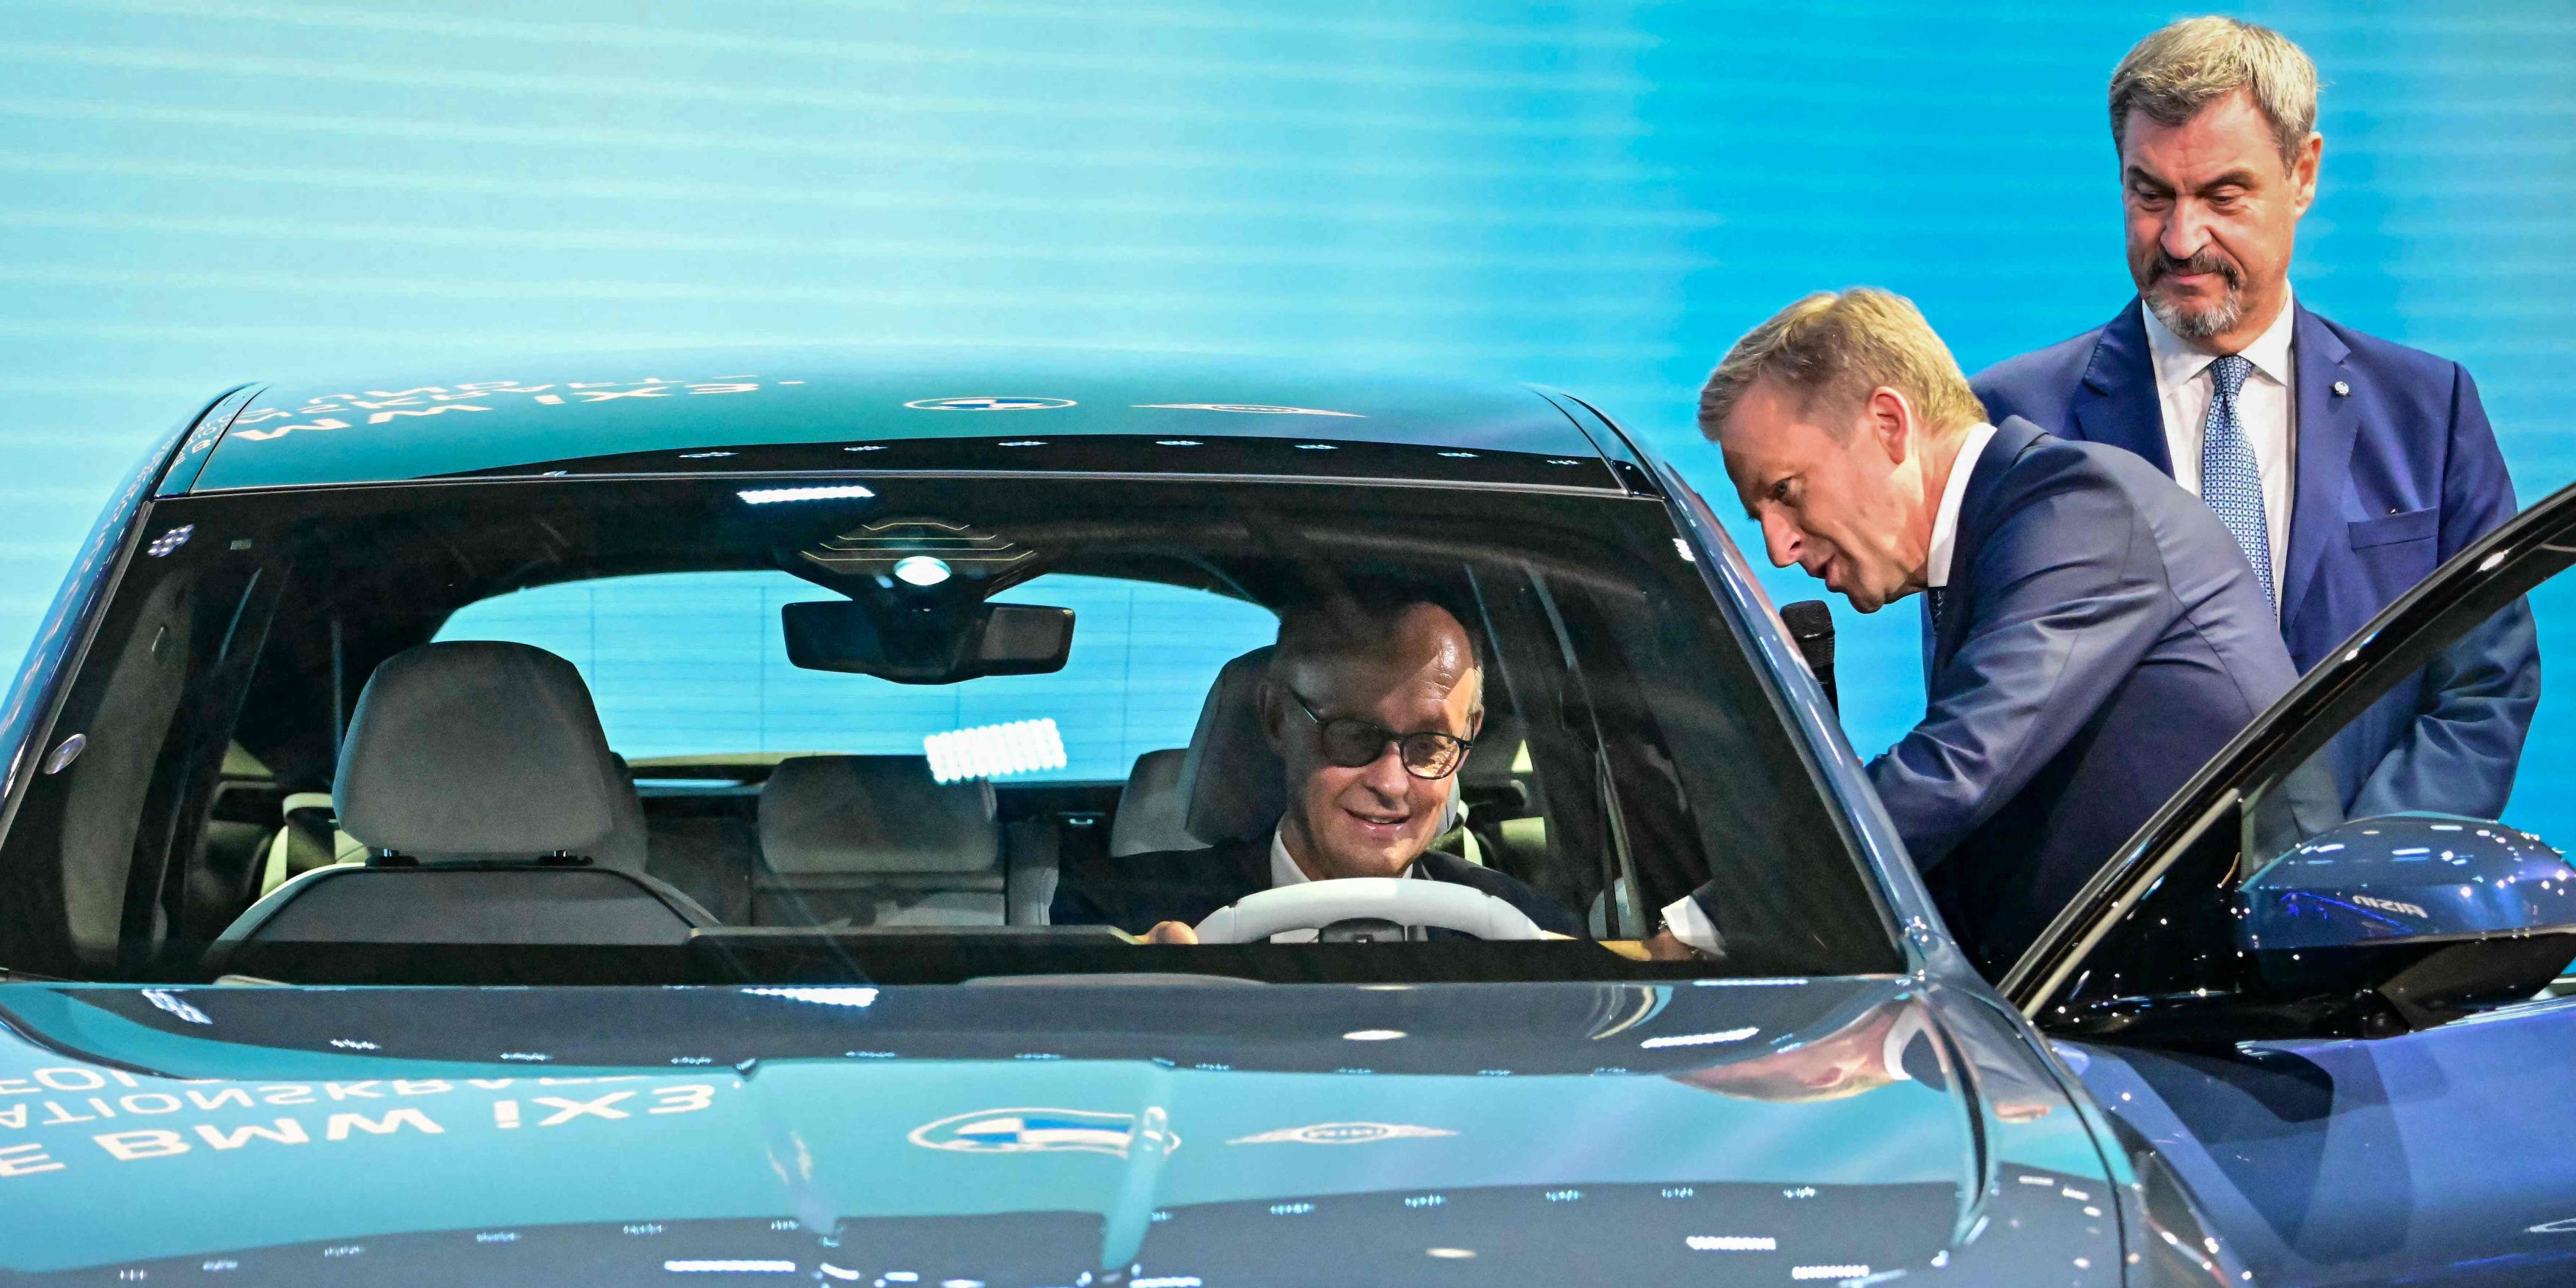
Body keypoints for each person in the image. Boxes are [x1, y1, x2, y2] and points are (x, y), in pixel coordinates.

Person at [1975, 16, 2537, 824]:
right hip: (2118, 925)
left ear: (2303, 173)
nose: (2181, 238)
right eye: (2151, 194)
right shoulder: (2016, 421)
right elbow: (1990, 731)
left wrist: (2350, 884)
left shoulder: (2429, 411)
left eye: (2222, 195)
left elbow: (2483, 685)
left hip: (2365, 919)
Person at [1696, 287, 2298, 976]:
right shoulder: (1989, 542)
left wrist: (1713, 918)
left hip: (2229, 1019)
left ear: (1888, 424)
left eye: (1785, 492)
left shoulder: (2075, 508)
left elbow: (1954, 773)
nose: (1778, 548)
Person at [1058, 597, 1584, 940]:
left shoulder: (1531, 932)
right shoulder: (1116, 917)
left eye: (1429, 746)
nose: (1391, 782)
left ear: (1466, 740)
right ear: (1276, 720)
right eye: (1353, 736)